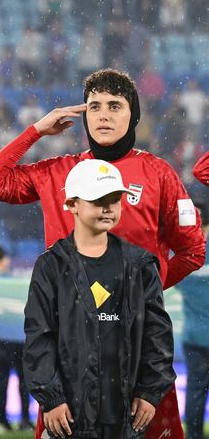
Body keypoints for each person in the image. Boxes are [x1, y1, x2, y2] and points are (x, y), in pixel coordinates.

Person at [0, 68, 204, 439]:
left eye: (115, 106)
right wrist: (35, 131)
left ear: (133, 115)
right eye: (94, 106)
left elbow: (192, 250)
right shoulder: (58, 171)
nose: (103, 115)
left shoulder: (159, 174)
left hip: (137, 345)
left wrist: (143, 292)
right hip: (68, 344)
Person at [23, 159, 175, 439]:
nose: (108, 208)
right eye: (98, 200)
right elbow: (39, 337)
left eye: (114, 200)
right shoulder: (51, 265)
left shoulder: (140, 264)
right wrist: (52, 398)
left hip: (127, 419)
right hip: (69, 419)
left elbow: (158, 335)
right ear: (72, 204)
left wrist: (150, 392)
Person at [0, 246, 32, 432]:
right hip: (16, 338)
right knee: (22, 381)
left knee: (2, 381)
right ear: (3, 261)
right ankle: (24, 419)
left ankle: (3, 420)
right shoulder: (11, 283)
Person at [180, 202, 209, 439]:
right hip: (199, 335)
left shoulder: (184, 255)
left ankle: (194, 436)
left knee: (195, 391)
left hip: (193, 336)